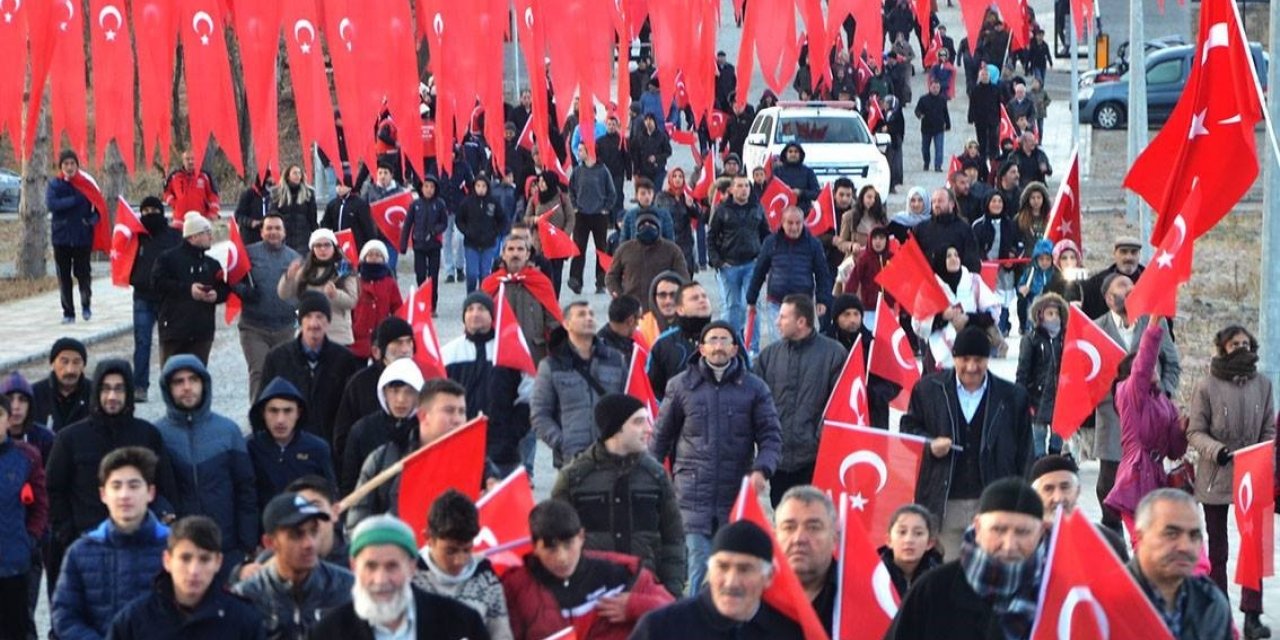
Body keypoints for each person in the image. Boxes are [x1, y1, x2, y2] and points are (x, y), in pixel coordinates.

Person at [651, 321, 782, 590]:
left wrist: (762, 470)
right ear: (701, 348)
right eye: (712, 340)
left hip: (735, 494)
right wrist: (650, 477)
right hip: (690, 494)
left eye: (724, 340)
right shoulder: (681, 386)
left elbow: (771, 437)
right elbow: (659, 438)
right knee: (698, 565)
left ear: (735, 349)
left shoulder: (755, 388)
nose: (718, 345)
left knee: (731, 568)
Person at [44, 359, 178, 597]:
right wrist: (68, 532)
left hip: (137, 548)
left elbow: (164, 487)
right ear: (96, 391)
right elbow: (53, 490)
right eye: (105, 388)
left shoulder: (147, 435)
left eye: (119, 388)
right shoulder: (70, 439)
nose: (112, 396)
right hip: (85, 546)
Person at [900, 327, 1033, 559]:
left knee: (991, 572)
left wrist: (1020, 499)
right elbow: (908, 432)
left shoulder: (1012, 397)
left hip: (993, 503)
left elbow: (1025, 453)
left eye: (978, 360)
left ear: (988, 359)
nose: (972, 367)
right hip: (945, 503)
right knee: (949, 575)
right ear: (954, 358)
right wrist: (930, 444)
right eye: (965, 359)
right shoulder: (929, 390)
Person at [1187, 325, 1274, 638]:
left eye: (1245, 343)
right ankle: (1219, 613)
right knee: (1218, 551)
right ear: (1222, 347)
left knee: (1253, 549)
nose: (1240, 348)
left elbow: (1269, 429)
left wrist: (1263, 457)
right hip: (1216, 474)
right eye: (1234, 343)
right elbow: (1195, 431)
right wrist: (1217, 451)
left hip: (1252, 475)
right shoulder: (1206, 386)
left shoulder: (1263, 384)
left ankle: (1252, 615)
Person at [552, 394, 686, 597]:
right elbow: (556, 540)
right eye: (638, 422)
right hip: (592, 595)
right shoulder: (574, 478)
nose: (649, 429)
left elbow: (673, 539)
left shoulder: (656, 475)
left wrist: (671, 593)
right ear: (616, 429)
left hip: (645, 594)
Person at [886, 478, 1046, 639]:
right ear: (977, 527)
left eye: (1023, 532)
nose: (1009, 545)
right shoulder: (934, 589)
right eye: (998, 530)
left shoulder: (1057, 595)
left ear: (1040, 533)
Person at [500, 499, 674, 639]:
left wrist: (636, 606)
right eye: (551, 549)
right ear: (534, 547)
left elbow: (676, 614)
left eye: (568, 545)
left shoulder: (620, 573)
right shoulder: (514, 587)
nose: (562, 558)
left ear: (581, 537)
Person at [154, 356, 258, 581]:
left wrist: (247, 543)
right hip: (179, 552)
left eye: (193, 379)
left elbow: (246, 489)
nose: (187, 387)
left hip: (226, 548)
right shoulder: (157, 435)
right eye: (178, 382)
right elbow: (152, 489)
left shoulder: (228, 431)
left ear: (204, 384)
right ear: (168, 388)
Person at [1093, 273, 1181, 535]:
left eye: (1134, 286)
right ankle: (1114, 544)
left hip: (1149, 425)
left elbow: (1172, 363)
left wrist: (1161, 395)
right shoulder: (1096, 328)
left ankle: (1144, 542)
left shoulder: (1156, 324)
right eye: (1123, 287)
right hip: (1112, 420)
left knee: (1146, 490)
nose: (1131, 290)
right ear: (1109, 297)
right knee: (1109, 488)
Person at [52, 447, 169, 640]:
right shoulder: (80, 552)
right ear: (103, 494)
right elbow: (65, 615)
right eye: (116, 486)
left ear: (150, 492)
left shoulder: (175, 548)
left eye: (133, 486)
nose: (124, 495)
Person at [311, 514, 489, 639]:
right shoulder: (328, 632)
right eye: (370, 566)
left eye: (392, 566)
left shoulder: (461, 623)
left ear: (411, 567)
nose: (380, 579)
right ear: (354, 566)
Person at [629, 521, 804, 639]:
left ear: (769, 576)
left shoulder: (788, 631)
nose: (731, 582)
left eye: (745, 569)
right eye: (723, 567)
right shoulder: (661, 628)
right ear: (710, 570)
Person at [754, 295, 846, 503]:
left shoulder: (834, 354)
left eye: (783, 317)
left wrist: (819, 437)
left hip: (814, 459)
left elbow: (840, 406)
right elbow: (754, 401)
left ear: (801, 322)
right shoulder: (768, 356)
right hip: (779, 458)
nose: (777, 322)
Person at [108, 516, 263, 639]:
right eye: (185, 558)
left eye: (204, 559)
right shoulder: (134, 621)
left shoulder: (243, 622)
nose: (194, 570)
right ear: (167, 561)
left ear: (218, 562)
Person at [346, 379, 471, 529]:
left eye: (462, 412)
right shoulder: (383, 459)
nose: (458, 420)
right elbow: (357, 523)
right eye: (449, 411)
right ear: (423, 416)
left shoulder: (478, 463)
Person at [1106, 322, 1190, 537]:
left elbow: (1174, 451)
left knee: (1156, 540)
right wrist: (1154, 323)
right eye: (1147, 365)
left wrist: (1180, 430)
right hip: (1134, 475)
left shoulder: (1164, 401)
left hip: (1157, 474)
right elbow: (1143, 364)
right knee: (1143, 542)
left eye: (1155, 365)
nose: (1153, 368)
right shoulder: (1127, 392)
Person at [233, 492, 354, 639]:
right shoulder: (246, 598)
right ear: (270, 543)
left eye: (313, 531)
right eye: (297, 534)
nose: (309, 543)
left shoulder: (347, 588)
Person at [530, 302, 626, 468]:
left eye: (591, 314)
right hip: (572, 460)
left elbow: (629, 403)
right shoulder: (551, 365)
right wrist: (562, 442)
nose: (588, 318)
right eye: (581, 314)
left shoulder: (615, 360)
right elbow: (540, 415)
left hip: (611, 455)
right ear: (566, 324)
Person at [261, 291, 363, 446]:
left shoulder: (344, 360)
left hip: (331, 449)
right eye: (308, 317)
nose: (314, 324)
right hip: (289, 448)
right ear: (300, 322)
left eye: (320, 317)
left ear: (328, 322)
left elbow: (352, 410)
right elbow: (264, 406)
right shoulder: (277, 358)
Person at [1129, 490, 1232, 640]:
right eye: (1171, 534)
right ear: (1140, 536)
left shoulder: (1210, 602)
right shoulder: (1105, 602)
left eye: (1194, 536)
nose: (1185, 546)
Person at [413, 491, 513, 640]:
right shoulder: (409, 578)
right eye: (450, 551)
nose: (459, 560)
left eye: (467, 550)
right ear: (428, 539)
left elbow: (501, 634)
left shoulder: (486, 580)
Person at [235, 212, 302, 400]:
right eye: (269, 228)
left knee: (282, 375)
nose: (273, 232)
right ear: (262, 232)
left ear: (284, 232)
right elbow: (233, 280)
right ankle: (258, 416)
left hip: (285, 328)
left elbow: (302, 290)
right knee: (259, 371)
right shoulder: (248, 254)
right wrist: (245, 292)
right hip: (254, 327)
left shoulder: (295, 258)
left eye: (277, 228)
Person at [246, 377, 336, 512]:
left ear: (298, 413)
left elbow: (330, 494)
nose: (280, 420)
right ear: (263, 413)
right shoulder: (250, 448)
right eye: (273, 411)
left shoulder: (317, 448)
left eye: (288, 411)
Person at [747, 207, 834, 345]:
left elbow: (822, 273)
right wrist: (751, 299)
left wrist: (822, 300)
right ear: (782, 223)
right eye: (790, 223)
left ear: (803, 223)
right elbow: (759, 271)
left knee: (804, 344)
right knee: (780, 344)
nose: (794, 227)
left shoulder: (814, 244)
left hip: (803, 304)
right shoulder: (771, 242)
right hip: (777, 302)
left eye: (798, 223)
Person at [151, 215, 231, 364]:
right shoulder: (168, 259)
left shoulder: (212, 264)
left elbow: (225, 289)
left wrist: (217, 295)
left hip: (202, 333)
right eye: (207, 232)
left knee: (197, 379)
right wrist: (188, 290)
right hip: (174, 331)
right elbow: (157, 283)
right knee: (172, 377)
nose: (211, 237)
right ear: (193, 236)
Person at [333, 317, 416, 456]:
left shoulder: (421, 381)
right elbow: (342, 437)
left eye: (409, 342)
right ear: (378, 352)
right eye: (398, 343)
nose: (405, 349)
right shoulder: (359, 384)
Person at [0, 394, 47, 640]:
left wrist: (29, 539)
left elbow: (40, 505)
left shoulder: (27, 456)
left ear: (8, 420)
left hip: (15, 565)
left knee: (17, 630)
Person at [341, 358, 424, 495]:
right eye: (395, 391)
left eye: (409, 392)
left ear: (418, 395)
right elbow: (349, 483)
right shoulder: (362, 430)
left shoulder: (426, 429)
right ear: (384, 392)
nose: (401, 399)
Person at [130, 196, 183, 401]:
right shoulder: (137, 236)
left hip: (167, 297)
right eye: (145, 211)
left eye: (153, 210)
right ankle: (140, 386)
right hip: (142, 296)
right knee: (142, 342)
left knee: (169, 343)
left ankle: (172, 384)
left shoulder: (173, 236)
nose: (149, 215)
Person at [1028, 455, 1129, 560]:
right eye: (1048, 489)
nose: (1058, 498)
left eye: (1065, 487)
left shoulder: (1106, 543)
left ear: (1077, 491)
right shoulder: (1022, 541)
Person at [483, 234, 563, 364]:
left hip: (534, 354)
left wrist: (560, 349)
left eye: (520, 249)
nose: (516, 253)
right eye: (511, 249)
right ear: (503, 254)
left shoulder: (541, 282)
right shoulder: (491, 284)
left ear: (527, 255)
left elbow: (553, 320)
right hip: (499, 353)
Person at [709, 175, 769, 346]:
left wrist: (764, 259)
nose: (744, 189)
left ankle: (751, 347)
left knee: (752, 306)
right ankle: (730, 344)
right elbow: (711, 237)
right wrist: (717, 261)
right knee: (732, 307)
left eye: (746, 186)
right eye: (740, 186)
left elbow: (766, 234)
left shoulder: (757, 208)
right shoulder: (722, 209)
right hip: (729, 265)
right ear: (732, 190)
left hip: (752, 264)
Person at [278, 228, 359, 347]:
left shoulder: (344, 270)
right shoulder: (304, 270)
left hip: (337, 336)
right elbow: (283, 294)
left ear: (334, 247)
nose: (322, 249)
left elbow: (352, 301)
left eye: (327, 245)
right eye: (318, 245)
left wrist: (335, 294)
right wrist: (288, 277)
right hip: (308, 334)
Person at [774, 486, 839, 634]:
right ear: (775, 536)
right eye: (789, 527)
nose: (799, 539)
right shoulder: (751, 592)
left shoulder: (859, 596)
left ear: (834, 539)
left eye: (813, 528)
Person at [927, 245, 1005, 369]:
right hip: (938, 353)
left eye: (956, 255)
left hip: (971, 349)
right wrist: (943, 317)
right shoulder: (930, 286)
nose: (954, 259)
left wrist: (968, 318)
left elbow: (992, 314)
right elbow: (919, 324)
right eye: (948, 256)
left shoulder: (973, 280)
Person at [46, 150, 99, 323]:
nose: (69, 167)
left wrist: (90, 221)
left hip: (82, 237)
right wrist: (74, 200)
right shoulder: (55, 184)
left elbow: (98, 208)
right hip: (61, 238)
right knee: (64, 276)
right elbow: (52, 204)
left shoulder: (85, 185)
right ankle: (68, 312)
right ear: (61, 167)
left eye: (72, 164)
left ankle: (86, 304)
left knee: (83, 273)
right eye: (66, 164)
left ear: (77, 166)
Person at [1015, 292, 1068, 457]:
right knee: (1038, 431)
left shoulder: (1065, 338)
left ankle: (1055, 456)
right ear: (1040, 315)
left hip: (1060, 394)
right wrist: (1020, 394)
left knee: (1058, 431)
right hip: (1037, 395)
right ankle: (1039, 459)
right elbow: (1023, 368)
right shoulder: (1032, 339)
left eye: (1057, 313)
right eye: (1049, 313)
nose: (1054, 317)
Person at [647, 282, 715, 402]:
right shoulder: (664, 344)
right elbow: (651, 388)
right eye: (695, 298)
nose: (702, 300)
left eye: (704, 296)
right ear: (680, 309)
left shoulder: (726, 336)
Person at [606, 211, 690, 307]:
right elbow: (611, 276)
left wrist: (674, 296)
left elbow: (683, 277)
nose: (647, 227)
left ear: (658, 228)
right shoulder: (625, 249)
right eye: (643, 225)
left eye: (651, 225)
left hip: (662, 306)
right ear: (637, 228)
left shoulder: (672, 250)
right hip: (633, 307)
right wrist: (620, 296)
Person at [971, 191, 1023, 335]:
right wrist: (984, 260)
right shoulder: (978, 225)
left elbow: (1018, 244)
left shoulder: (1010, 224)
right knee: (989, 299)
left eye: (999, 201)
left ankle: (1004, 325)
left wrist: (1012, 257)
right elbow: (974, 247)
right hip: (985, 270)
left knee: (1004, 299)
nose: (997, 204)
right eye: (993, 201)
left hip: (1005, 270)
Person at [567, 145, 616, 294]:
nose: (578, 152)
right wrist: (574, 206)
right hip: (581, 215)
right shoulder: (577, 171)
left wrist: (606, 208)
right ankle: (575, 280)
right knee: (578, 248)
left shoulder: (602, 171)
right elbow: (571, 190)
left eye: (581, 150)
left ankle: (601, 281)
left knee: (601, 249)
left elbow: (611, 192)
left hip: (599, 216)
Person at [441, 291, 497, 419]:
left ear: (491, 316)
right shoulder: (448, 353)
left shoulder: (505, 351)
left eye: (481, 309)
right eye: (470, 309)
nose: (475, 314)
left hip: (501, 433)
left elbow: (525, 394)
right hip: (460, 430)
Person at [523, 171, 575, 296]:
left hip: (557, 245)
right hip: (540, 245)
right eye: (539, 181)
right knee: (541, 275)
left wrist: (564, 235)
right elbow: (526, 219)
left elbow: (570, 218)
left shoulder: (562, 198)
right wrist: (534, 220)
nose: (540, 184)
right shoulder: (535, 199)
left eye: (543, 181)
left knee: (556, 276)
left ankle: (554, 301)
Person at [351, 240, 403, 360]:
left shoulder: (389, 283)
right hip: (358, 339)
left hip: (381, 337)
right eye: (370, 255)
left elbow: (398, 308)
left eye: (378, 255)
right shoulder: (355, 281)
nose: (374, 258)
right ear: (364, 258)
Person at [878, 504, 944, 599]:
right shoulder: (876, 576)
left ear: (929, 543)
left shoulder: (940, 579)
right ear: (889, 540)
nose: (909, 540)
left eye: (918, 533)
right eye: (902, 532)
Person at [456, 174, 508, 293]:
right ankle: (471, 297)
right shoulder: (467, 202)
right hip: (471, 243)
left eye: (483, 186)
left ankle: (483, 299)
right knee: (472, 274)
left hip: (488, 244)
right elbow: (459, 219)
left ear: (487, 188)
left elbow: (503, 220)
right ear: (474, 187)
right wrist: (466, 231)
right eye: (478, 186)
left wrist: (495, 233)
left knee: (485, 274)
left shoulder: (493, 202)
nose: (481, 189)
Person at [399, 175, 449, 296]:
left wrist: (435, 231)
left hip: (434, 245)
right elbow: (407, 225)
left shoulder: (440, 204)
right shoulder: (415, 204)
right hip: (419, 244)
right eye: (426, 186)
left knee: (433, 276)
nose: (429, 189)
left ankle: (433, 304)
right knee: (420, 274)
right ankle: (422, 299)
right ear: (421, 188)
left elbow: (444, 223)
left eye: (432, 187)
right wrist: (403, 245)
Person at [31, 337, 92, 432]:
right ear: (52, 364)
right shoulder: (35, 394)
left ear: (83, 365)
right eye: (64, 362)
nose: (70, 369)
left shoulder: (95, 393)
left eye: (76, 362)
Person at [916, 187, 982, 272]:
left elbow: (972, 260)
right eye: (934, 201)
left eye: (940, 201)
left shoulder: (964, 228)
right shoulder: (921, 228)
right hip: (928, 280)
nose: (936, 205)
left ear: (951, 204)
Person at [1082, 237, 1146, 320]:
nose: (1129, 257)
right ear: (1115, 253)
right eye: (1123, 252)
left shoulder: (1152, 283)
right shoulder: (1095, 285)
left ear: (1139, 255)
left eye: (1134, 252)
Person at [162, 149, 220, 225]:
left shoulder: (204, 176)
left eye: (193, 159)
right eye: (187, 159)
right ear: (183, 160)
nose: (190, 162)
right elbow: (166, 193)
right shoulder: (174, 176)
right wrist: (174, 203)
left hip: (200, 219)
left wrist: (213, 212)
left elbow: (213, 196)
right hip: (179, 220)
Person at [321, 182, 376, 261]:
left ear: (349, 187)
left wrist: (370, 244)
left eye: (343, 185)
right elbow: (325, 224)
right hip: (338, 244)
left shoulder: (359, 204)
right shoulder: (332, 204)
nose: (339, 188)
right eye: (338, 185)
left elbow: (367, 227)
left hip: (356, 245)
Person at [273, 164, 320, 255]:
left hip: (302, 237)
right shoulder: (277, 193)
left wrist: (316, 233)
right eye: (295, 173)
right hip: (284, 237)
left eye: (299, 173)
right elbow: (273, 214)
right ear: (288, 175)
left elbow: (312, 217)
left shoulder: (308, 193)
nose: (298, 175)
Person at [618, 177, 676, 242]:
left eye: (649, 193)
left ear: (653, 194)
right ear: (637, 195)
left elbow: (670, 240)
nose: (647, 196)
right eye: (643, 193)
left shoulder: (664, 214)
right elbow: (623, 241)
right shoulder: (630, 215)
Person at [638, 272, 686, 348]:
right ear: (654, 298)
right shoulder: (642, 326)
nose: (668, 301)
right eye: (662, 295)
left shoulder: (693, 324)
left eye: (674, 295)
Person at [915, 81, 951, 172]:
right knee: (925, 148)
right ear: (930, 88)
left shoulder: (942, 99)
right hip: (926, 128)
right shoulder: (923, 99)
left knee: (939, 148)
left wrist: (948, 124)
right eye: (934, 87)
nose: (935, 90)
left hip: (939, 128)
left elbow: (945, 113)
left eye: (937, 88)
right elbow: (917, 110)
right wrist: (920, 115)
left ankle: (938, 166)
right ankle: (926, 163)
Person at [772, 143, 820, 211]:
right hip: (782, 211)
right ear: (785, 154)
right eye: (790, 151)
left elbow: (817, 193)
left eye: (796, 151)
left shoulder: (808, 172)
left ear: (800, 154)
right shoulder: (777, 171)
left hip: (803, 212)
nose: (793, 154)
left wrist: (801, 193)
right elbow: (769, 191)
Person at [629, 113, 672, 186]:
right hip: (643, 171)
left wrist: (656, 158)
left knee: (656, 192)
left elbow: (668, 152)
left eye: (650, 120)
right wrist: (635, 172)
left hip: (658, 170)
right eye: (646, 120)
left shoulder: (662, 136)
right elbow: (635, 155)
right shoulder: (639, 137)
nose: (648, 122)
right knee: (646, 193)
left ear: (654, 122)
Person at [235, 172, 273, 246]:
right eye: (269, 180)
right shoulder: (248, 194)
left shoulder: (272, 196)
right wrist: (251, 222)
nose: (272, 182)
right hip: (251, 237)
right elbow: (238, 215)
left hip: (268, 235)